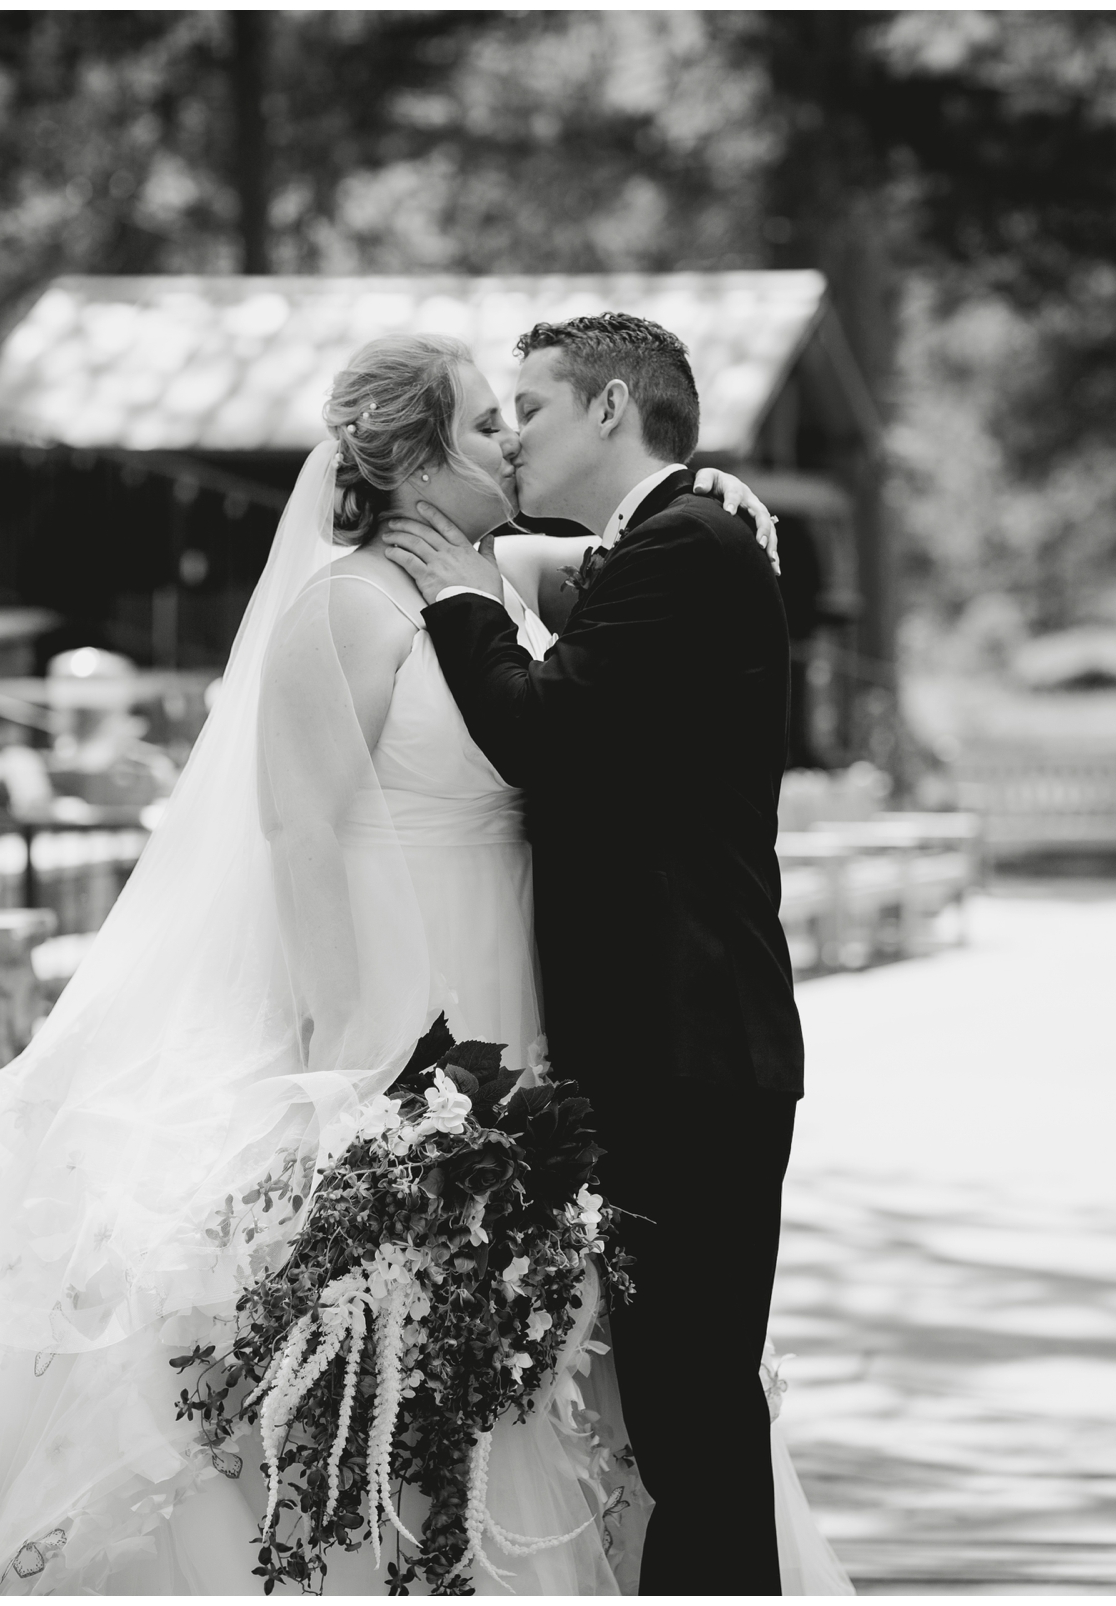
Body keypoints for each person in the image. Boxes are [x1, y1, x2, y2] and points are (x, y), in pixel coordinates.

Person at [0, 332, 848, 1595]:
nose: (510, 442)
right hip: (413, 1016)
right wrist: (362, 1048)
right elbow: (300, 832)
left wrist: (705, 490)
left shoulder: (514, 573)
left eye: (517, 415)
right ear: (418, 462)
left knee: (625, 1374)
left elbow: (600, 599)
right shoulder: (350, 605)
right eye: (486, 424)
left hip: (541, 1024)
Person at [382, 313, 807, 1596]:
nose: (513, 435)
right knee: (680, 1415)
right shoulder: (675, 533)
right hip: (662, 1052)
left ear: (614, 408)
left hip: (691, 1053)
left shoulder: (689, 543)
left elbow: (541, 730)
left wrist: (456, 587)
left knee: (696, 1423)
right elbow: (574, 580)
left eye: (536, 409)